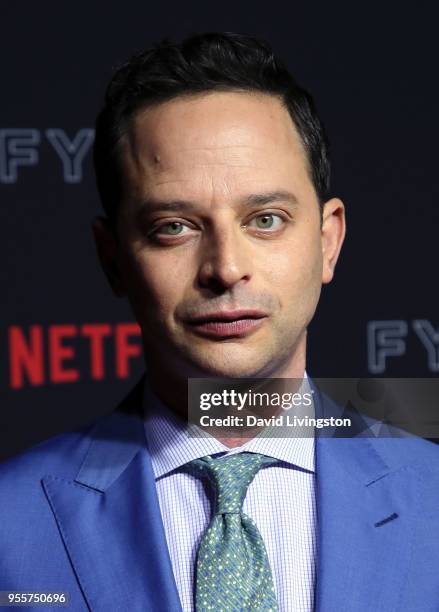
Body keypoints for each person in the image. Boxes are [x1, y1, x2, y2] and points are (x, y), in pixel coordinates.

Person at [1, 31, 439, 612]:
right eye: (174, 227)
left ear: (328, 242)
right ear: (113, 260)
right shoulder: (11, 521)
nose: (226, 269)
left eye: (266, 219)